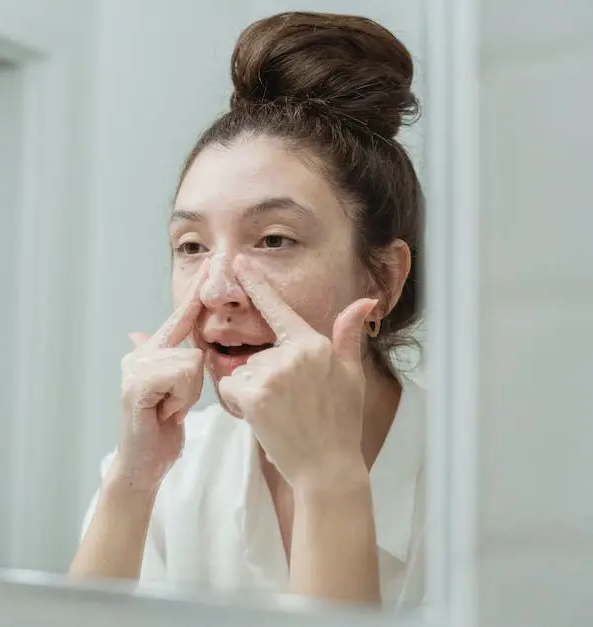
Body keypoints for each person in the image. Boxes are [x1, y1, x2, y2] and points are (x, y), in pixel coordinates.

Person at [70, 11, 426, 608]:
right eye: (191, 246)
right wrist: (132, 483)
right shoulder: (171, 475)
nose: (216, 289)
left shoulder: (490, 495)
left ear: (383, 280)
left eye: (274, 239)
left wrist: (328, 481)